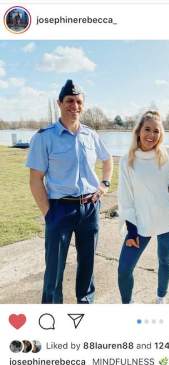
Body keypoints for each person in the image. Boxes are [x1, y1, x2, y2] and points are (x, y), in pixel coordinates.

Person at [26, 80, 113, 304]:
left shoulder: (91, 135)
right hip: (60, 209)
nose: (74, 106)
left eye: (78, 102)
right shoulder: (44, 137)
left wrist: (104, 184)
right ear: (60, 103)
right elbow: (36, 180)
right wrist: (49, 214)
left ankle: (85, 307)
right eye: (69, 101)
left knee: (88, 263)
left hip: (90, 208)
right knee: (54, 268)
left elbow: (108, 159)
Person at [118, 110, 169, 304]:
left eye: (156, 131)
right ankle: (128, 304)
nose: (151, 135)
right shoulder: (127, 160)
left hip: (167, 219)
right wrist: (131, 229)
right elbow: (125, 197)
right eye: (147, 129)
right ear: (138, 131)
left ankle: (161, 298)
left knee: (164, 260)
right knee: (124, 269)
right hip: (140, 224)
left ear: (161, 134)